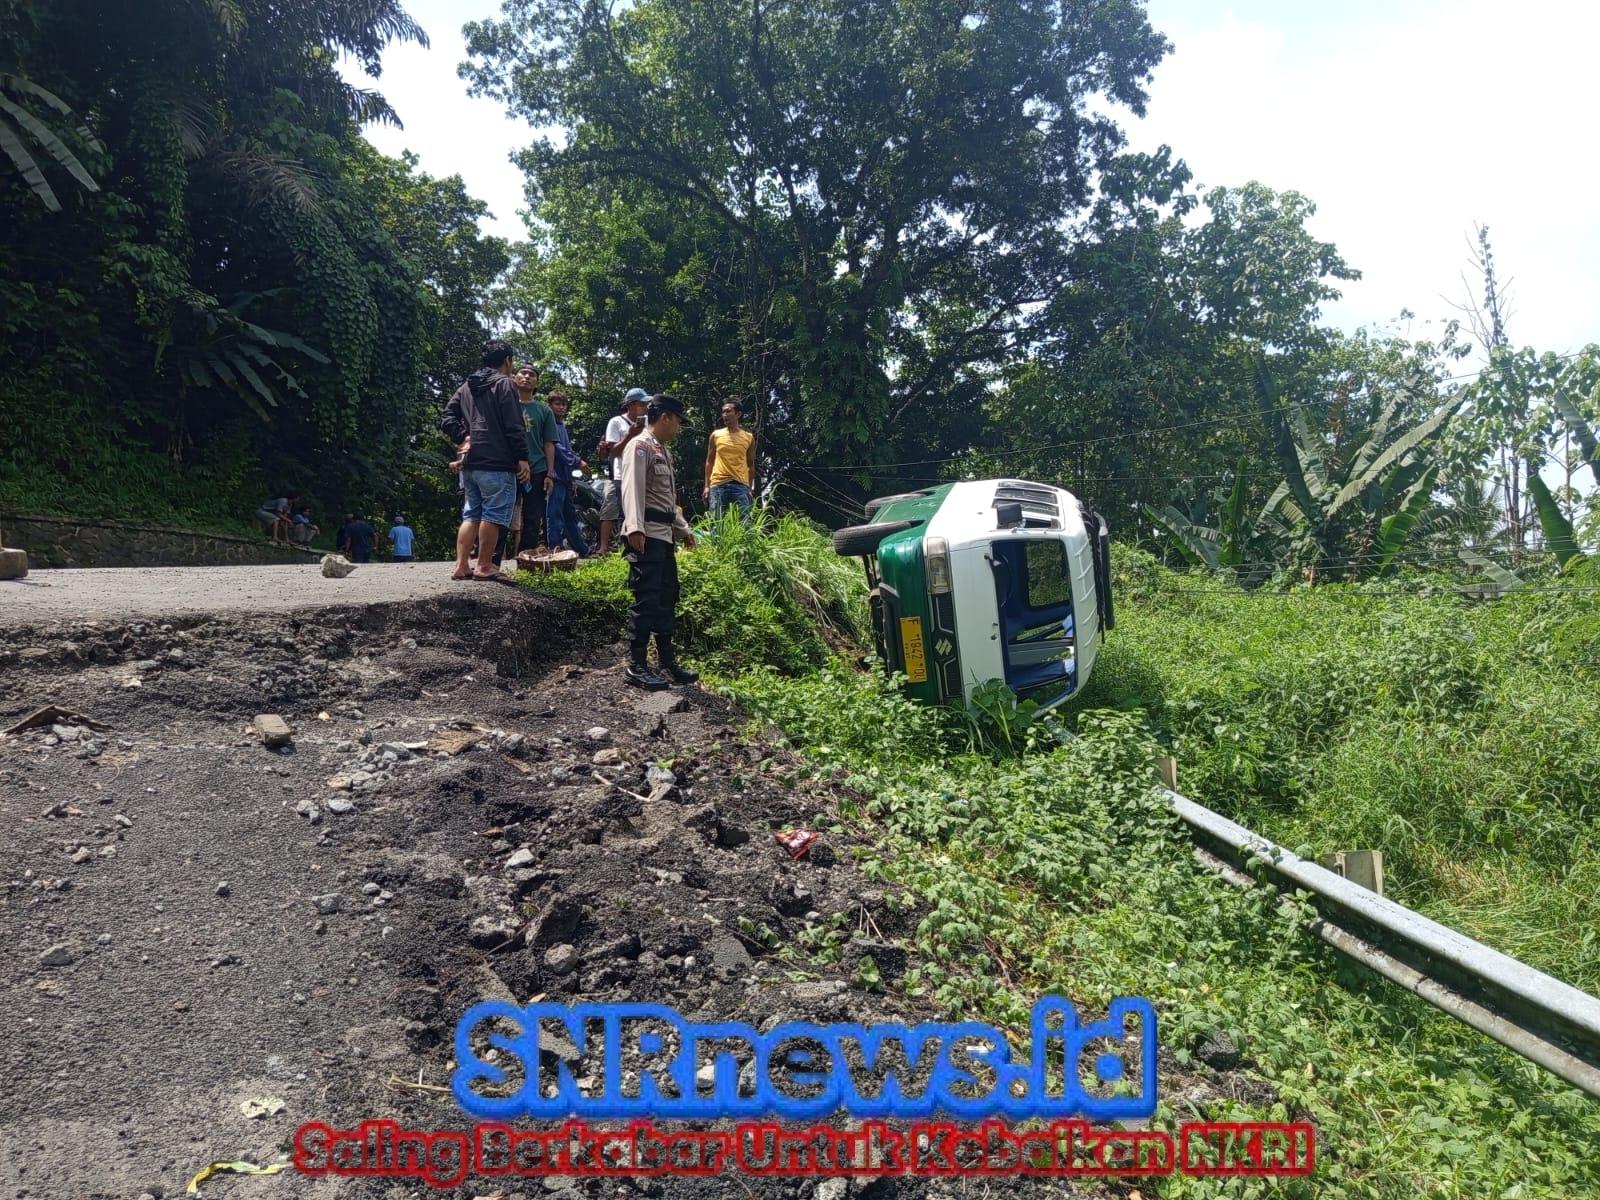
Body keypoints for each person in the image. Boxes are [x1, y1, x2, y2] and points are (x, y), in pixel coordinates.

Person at [619, 394, 699, 690]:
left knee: (667, 597)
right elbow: (632, 489)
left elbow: (667, 500)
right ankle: (637, 665)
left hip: (664, 537)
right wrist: (634, 528)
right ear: (665, 417)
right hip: (646, 535)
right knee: (646, 598)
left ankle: (667, 661)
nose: (678, 427)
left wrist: (684, 530)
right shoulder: (639, 446)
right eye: (678, 421)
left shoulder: (663, 451)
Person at [441, 339, 530, 583]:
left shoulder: (467, 386)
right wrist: (522, 457)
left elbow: (447, 416)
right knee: (493, 513)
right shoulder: (504, 384)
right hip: (497, 462)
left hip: (471, 463)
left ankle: (461, 566)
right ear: (507, 361)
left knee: (472, 513)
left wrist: (463, 437)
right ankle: (484, 565)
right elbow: (514, 424)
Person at [596, 388, 649, 555]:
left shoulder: (648, 423)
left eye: (646, 404)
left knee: (636, 511)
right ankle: (603, 548)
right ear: (631, 405)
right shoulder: (616, 422)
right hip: (618, 473)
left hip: (639, 473)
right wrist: (630, 435)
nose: (645, 407)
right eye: (642, 404)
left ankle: (634, 546)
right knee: (610, 509)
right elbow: (612, 451)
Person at [513, 363, 557, 554]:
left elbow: (549, 444)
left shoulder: (544, 410)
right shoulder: (505, 404)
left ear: (537, 383)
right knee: (500, 514)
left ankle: (526, 558)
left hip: (537, 470)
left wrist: (549, 474)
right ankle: (493, 560)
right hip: (508, 468)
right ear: (514, 377)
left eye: (531, 374)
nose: (526, 377)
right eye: (523, 373)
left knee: (532, 518)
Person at [544, 390, 590, 556]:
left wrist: (571, 478)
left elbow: (567, 449)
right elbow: (557, 448)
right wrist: (577, 461)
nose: (561, 407)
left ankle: (583, 549)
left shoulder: (561, 425)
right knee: (555, 516)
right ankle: (554, 549)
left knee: (570, 516)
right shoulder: (549, 424)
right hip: (554, 476)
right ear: (550, 405)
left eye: (564, 404)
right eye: (557, 404)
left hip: (565, 477)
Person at [702, 399, 757, 519]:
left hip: (741, 485)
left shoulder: (748, 437)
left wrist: (749, 488)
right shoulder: (716, 435)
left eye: (728, 411)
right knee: (716, 522)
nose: (724, 415)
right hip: (718, 484)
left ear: (738, 414)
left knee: (745, 522)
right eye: (723, 412)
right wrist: (706, 486)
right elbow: (709, 461)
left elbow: (751, 465)